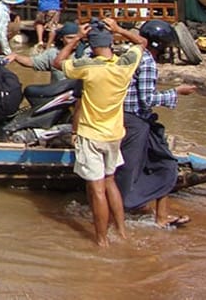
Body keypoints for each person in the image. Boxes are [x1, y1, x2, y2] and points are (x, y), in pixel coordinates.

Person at [53, 17, 145, 247]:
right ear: (110, 43)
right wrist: (119, 29)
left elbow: (58, 62)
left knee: (97, 191)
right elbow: (142, 42)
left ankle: (101, 241)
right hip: (114, 134)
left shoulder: (89, 68)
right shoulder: (124, 65)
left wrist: (75, 39)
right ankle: (121, 232)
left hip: (91, 134)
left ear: (92, 47)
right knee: (110, 182)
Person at [114, 20, 197, 229]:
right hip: (135, 121)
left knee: (163, 164)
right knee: (130, 169)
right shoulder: (147, 62)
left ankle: (160, 216)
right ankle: (118, 214)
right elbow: (147, 100)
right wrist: (176, 92)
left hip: (128, 118)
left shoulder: (131, 55)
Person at [6, 20, 80, 82]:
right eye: (70, 38)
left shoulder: (87, 53)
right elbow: (31, 62)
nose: (73, 41)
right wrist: (16, 56)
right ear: (61, 38)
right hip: (59, 92)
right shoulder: (53, 53)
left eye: (76, 38)